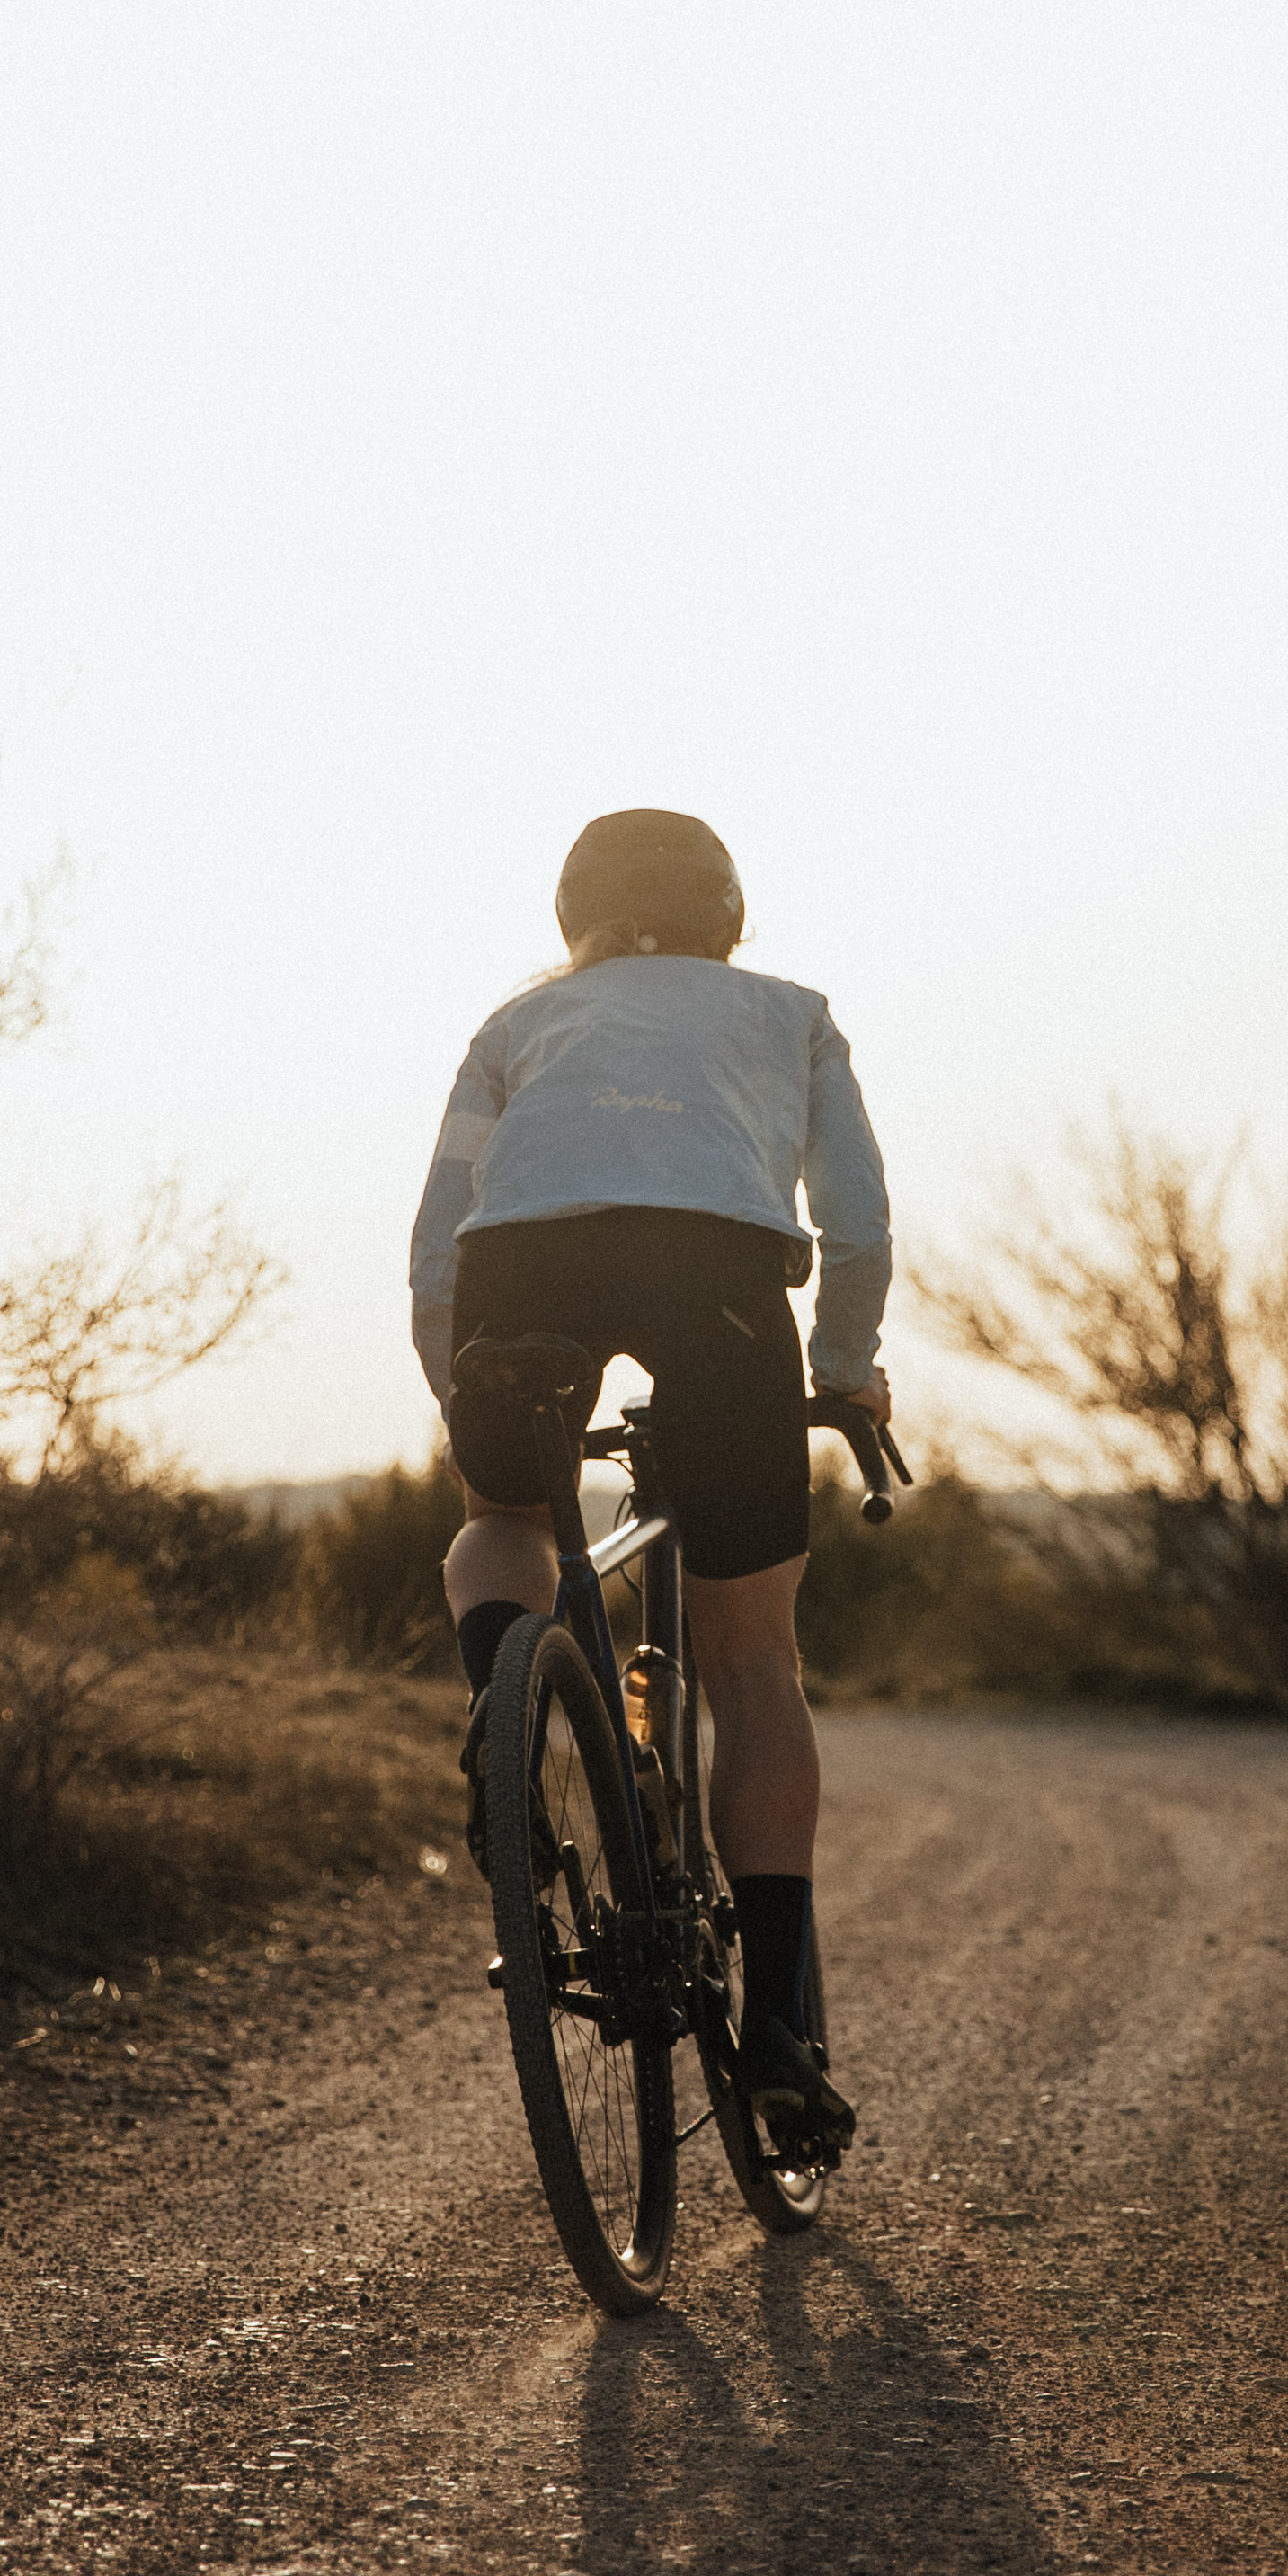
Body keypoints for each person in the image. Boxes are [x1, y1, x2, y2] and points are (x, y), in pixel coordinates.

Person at [410, 808, 893, 2154]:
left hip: (523, 1268)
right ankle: (784, 2030)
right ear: (728, 913)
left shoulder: (518, 1027)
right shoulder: (790, 1014)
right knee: (754, 1663)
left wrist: (468, 1409)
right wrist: (846, 1369)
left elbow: (439, 1239)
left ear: (574, 915)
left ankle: (510, 1704)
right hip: (722, 1283)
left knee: (505, 1519)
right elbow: (856, 1218)